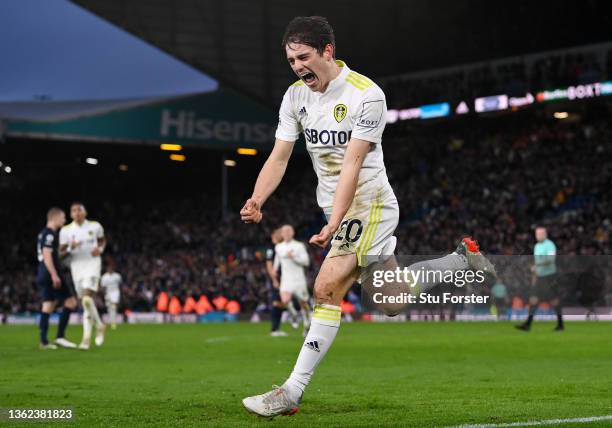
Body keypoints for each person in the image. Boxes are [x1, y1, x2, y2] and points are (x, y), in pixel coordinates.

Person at [240, 16, 495, 416]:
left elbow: (353, 165)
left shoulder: (366, 95)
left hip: (368, 202)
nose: (297, 66)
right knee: (390, 301)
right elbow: (279, 156)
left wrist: (333, 223)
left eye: (304, 57)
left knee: (325, 289)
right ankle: (461, 260)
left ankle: (291, 392)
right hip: (336, 207)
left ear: (328, 51)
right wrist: (257, 199)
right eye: (290, 60)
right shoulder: (294, 97)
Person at [59, 202, 106, 350]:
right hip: (76, 267)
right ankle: (91, 334)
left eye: (79, 210)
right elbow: (60, 253)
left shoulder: (95, 226)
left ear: (85, 213)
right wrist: (69, 247)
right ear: (71, 214)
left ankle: (92, 333)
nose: (77, 213)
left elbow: (102, 240)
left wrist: (100, 249)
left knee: (87, 298)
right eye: (74, 211)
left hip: (92, 264)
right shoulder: (66, 231)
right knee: (86, 303)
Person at [36, 207, 78, 350]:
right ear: (54, 218)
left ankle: (43, 341)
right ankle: (60, 336)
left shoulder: (43, 234)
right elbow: (47, 255)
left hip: (42, 272)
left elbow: (54, 255)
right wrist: (54, 274)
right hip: (50, 273)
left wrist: (70, 249)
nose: (64, 220)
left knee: (48, 305)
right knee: (71, 302)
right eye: (62, 217)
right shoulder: (50, 234)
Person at [516, 227, 563, 331]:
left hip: (550, 276)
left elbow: (551, 260)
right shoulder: (536, 246)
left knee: (554, 300)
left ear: (545, 234)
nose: (538, 235)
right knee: (533, 300)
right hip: (540, 277)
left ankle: (560, 325)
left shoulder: (550, 245)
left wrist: (537, 265)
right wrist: (535, 277)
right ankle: (527, 325)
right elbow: (537, 262)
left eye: (541, 233)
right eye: (537, 234)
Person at [274, 224, 311, 336]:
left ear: (292, 233)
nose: (286, 233)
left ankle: (307, 325)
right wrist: (274, 273)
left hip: (298, 279)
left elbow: (306, 262)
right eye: (284, 232)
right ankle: (294, 315)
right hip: (286, 279)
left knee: (303, 303)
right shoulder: (278, 247)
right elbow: (277, 261)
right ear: (281, 234)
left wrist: (293, 257)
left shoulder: (299, 246)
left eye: (289, 231)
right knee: (284, 301)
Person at [266, 228, 287, 337]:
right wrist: (274, 280)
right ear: (273, 234)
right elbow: (269, 265)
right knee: (276, 302)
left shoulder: (281, 246)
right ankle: (274, 329)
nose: (281, 235)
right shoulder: (271, 248)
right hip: (276, 278)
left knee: (281, 303)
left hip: (283, 278)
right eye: (279, 233)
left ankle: (276, 329)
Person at [101, 263, 122, 330]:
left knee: (113, 307)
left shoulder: (117, 276)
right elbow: (103, 287)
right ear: (107, 269)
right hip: (108, 293)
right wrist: (105, 294)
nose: (110, 269)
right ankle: (112, 321)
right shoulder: (104, 277)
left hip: (115, 292)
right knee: (109, 308)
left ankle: (113, 323)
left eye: (111, 268)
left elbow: (120, 284)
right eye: (108, 268)